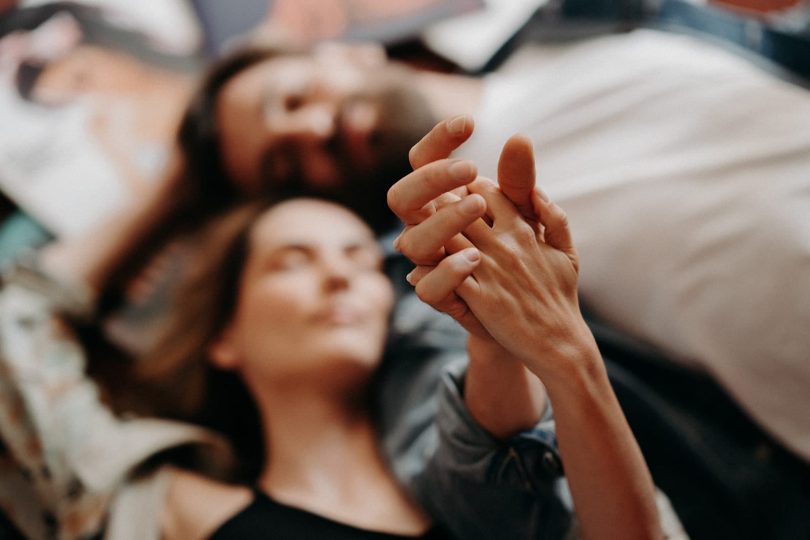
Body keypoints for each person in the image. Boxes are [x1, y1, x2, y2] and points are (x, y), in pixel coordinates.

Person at [0, 129, 665, 538]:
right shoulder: (161, 505)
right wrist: (183, 181)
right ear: (223, 336)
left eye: (359, 259)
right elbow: (13, 325)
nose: (342, 278)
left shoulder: (481, 494)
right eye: (295, 261)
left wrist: (556, 351)